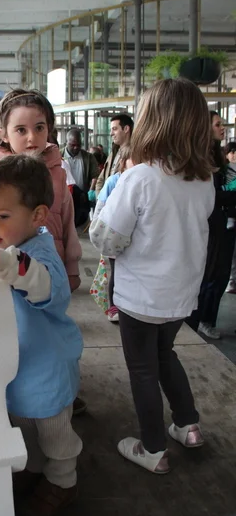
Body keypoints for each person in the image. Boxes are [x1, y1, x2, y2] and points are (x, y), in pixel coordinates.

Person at [90, 79, 215, 474]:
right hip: (181, 295)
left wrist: (104, 203)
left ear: (150, 121)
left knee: (142, 368)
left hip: (141, 298)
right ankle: (188, 425)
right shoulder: (204, 179)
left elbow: (106, 239)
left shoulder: (140, 177)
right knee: (165, 355)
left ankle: (154, 448)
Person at [0, 154, 83, 516]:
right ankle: (34, 467)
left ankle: (63, 480)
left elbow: (38, 283)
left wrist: (0, 261)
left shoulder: (41, 256)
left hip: (46, 368)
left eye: (2, 216)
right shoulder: (9, 251)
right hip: (19, 365)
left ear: (38, 216)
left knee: (54, 433)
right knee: (24, 426)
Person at [0, 89, 82, 292]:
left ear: (49, 128)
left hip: (49, 273)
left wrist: (71, 268)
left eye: (39, 128)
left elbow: (67, 222)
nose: (32, 137)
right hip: (2, 277)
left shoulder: (57, 173)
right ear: (3, 134)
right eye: (21, 130)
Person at [187, 112, 236, 339]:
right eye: (217, 124)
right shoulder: (200, 158)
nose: (222, 128)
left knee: (220, 276)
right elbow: (210, 195)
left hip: (223, 223)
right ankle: (200, 320)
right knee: (209, 276)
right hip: (211, 225)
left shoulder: (217, 156)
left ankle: (207, 319)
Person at [92, 145, 132, 323]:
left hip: (132, 239)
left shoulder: (141, 181)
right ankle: (114, 307)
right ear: (123, 162)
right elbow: (100, 209)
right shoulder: (113, 181)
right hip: (114, 237)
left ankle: (126, 306)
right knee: (116, 271)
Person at [61, 129, 100, 227]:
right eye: (72, 145)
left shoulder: (88, 157)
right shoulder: (58, 156)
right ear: (66, 143)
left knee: (81, 224)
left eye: (78, 145)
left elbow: (95, 175)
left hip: (82, 198)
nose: (76, 147)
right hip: (64, 199)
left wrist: (91, 190)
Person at [95, 114, 133, 195]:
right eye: (111, 130)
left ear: (126, 129)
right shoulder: (113, 152)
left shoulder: (134, 154)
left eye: (114, 129)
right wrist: (100, 198)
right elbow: (101, 179)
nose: (111, 133)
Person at [225, 142, 236, 294]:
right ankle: (232, 281)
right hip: (230, 216)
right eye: (231, 152)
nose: (234, 155)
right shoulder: (224, 171)